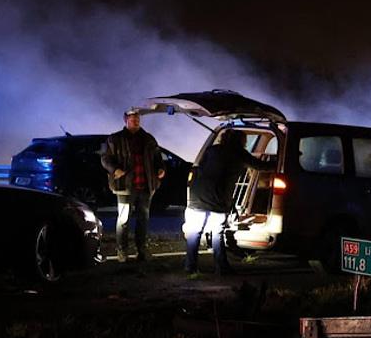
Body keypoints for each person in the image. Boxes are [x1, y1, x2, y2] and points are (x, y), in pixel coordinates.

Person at [184, 129, 276, 275]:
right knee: (217, 233)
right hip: (218, 199)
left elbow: (199, 167)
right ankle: (221, 268)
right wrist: (281, 163)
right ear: (241, 141)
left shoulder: (212, 150)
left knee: (194, 232)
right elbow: (261, 166)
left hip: (198, 196)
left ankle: (190, 267)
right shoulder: (239, 153)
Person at [101, 110, 164, 262]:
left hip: (146, 185)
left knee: (143, 219)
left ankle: (141, 251)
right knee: (123, 221)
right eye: (132, 118)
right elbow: (105, 158)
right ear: (126, 120)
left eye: (137, 118)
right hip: (124, 186)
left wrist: (161, 168)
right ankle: (122, 252)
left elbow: (157, 157)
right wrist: (115, 169)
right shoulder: (115, 139)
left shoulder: (148, 138)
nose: (136, 120)